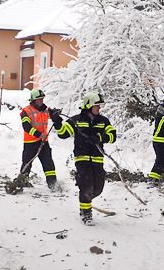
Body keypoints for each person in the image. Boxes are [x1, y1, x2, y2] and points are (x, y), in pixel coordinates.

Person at [55, 91, 116, 225]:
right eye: (97, 106)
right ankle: (86, 213)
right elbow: (63, 134)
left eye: (99, 107)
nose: (99, 109)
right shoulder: (76, 120)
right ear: (88, 106)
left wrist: (100, 137)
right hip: (82, 158)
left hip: (97, 159)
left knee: (98, 188)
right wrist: (57, 122)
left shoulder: (103, 121)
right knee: (86, 185)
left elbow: (113, 136)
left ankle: (86, 199)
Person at [19, 88, 62, 189]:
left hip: (43, 142)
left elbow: (56, 118)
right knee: (27, 164)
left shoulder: (46, 109)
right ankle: (22, 182)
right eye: (39, 99)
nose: (41, 101)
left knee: (48, 164)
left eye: (42, 99)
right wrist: (40, 135)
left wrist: (56, 115)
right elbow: (26, 127)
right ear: (33, 100)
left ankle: (53, 185)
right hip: (30, 143)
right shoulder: (26, 111)